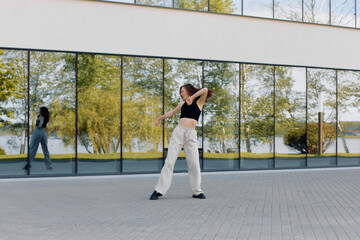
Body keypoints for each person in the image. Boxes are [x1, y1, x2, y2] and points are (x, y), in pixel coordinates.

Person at [150, 84, 213, 200]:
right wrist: (159, 118)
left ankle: (197, 191)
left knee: (194, 163)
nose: (181, 94)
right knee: (169, 161)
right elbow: (171, 113)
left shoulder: (199, 102)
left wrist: (192, 97)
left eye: (182, 91)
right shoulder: (182, 104)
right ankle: (159, 190)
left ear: (188, 91)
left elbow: (205, 90)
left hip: (191, 134)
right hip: (178, 133)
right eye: (180, 92)